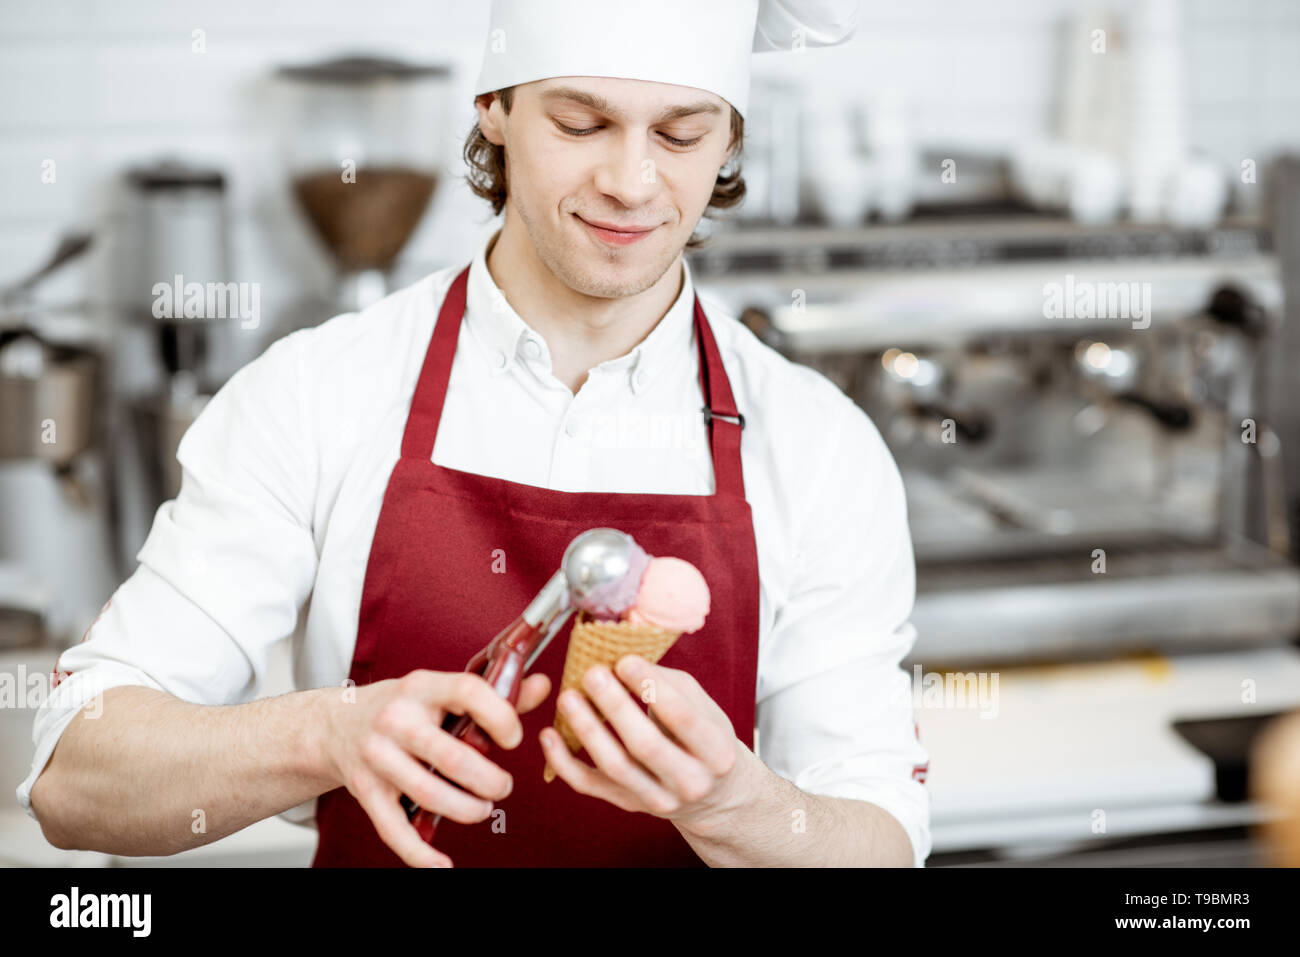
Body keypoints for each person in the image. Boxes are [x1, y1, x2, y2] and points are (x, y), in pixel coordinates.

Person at [22, 0, 932, 867]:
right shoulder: (315, 393)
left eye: (681, 134)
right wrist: (325, 733)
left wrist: (733, 800)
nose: (630, 180)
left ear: (730, 135)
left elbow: (879, 841)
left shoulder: (819, 448)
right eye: (581, 124)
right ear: (494, 108)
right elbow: (74, 775)